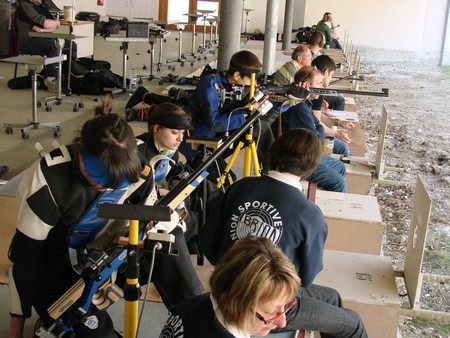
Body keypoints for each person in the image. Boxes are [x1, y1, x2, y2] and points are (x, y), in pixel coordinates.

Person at [8, 98, 203, 338]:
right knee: (97, 332)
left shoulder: (138, 168)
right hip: (58, 273)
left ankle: (201, 322)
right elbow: (26, 262)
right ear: (82, 157)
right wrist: (15, 330)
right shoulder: (47, 181)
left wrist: (161, 221)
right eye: (102, 185)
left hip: (113, 256)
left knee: (171, 239)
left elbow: (148, 206)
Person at [199, 129, 367, 337]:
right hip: (266, 303)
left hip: (224, 288)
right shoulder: (310, 214)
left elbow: (207, 242)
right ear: (311, 167)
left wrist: (233, 271)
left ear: (273, 153)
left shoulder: (240, 186)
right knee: (354, 325)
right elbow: (306, 278)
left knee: (332, 298)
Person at [160, 236, 301, 338]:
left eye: (286, 304)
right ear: (232, 303)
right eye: (270, 312)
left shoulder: (197, 303)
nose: (282, 322)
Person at [272, 67, 347, 192]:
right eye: (318, 84)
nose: (321, 88)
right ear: (306, 85)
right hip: (296, 160)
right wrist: (320, 130)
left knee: (340, 166)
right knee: (338, 182)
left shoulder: (302, 101)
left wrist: (319, 129)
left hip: (302, 153)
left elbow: (317, 125)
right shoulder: (298, 106)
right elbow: (316, 141)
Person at [135, 102, 199, 243]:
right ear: (157, 128)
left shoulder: (170, 151)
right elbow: (133, 191)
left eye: (182, 133)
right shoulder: (138, 151)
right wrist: (159, 191)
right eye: (175, 132)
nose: (180, 139)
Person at [14, 0, 77, 92]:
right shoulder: (25, 6)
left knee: (71, 45)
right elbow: (46, 23)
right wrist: (52, 24)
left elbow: (55, 24)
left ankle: (69, 76)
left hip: (44, 37)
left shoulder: (41, 6)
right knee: (53, 46)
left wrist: (44, 30)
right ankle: (51, 80)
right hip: (27, 41)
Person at [311, 55, 355, 156]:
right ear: (326, 72)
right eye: (331, 75)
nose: (331, 79)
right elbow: (317, 123)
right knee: (343, 148)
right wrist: (335, 133)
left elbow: (315, 116)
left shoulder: (317, 91)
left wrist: (338, 123)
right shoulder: (316, 92)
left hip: (311, 131)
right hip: (312, 137)